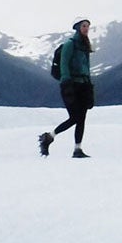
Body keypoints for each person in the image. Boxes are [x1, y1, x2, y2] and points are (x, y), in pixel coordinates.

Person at [38, 18, 95, 158]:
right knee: (75, 117)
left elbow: (85, 67)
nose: (86, 28)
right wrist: (66, 83)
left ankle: (77, 149)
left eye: (88, 26)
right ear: (77, 27)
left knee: (81, 118)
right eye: (83, 26)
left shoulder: (84, 45)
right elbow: (64, 64)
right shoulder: (70, 44)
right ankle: (49, 136)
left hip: (83, 84)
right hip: (72, 85)